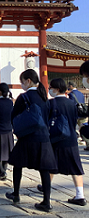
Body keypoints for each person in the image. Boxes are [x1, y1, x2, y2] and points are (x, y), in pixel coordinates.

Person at [6, 69, 56, 213]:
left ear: (28, 81)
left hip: (27, 137)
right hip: (43, 138)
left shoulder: (23, 97)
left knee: (18, 165)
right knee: (44, 170)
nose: (22, 84)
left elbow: (14, 117)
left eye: (22, 81)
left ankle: (16, 194)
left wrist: (18, 131)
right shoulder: (45, 98)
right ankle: (46, 201)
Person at [38, 78, 86, 206]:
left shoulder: (50, 104)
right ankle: (80, 195)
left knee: (50, 165)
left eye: (51, 88)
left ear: (57, 89)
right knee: (75, 167)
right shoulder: (72, 103)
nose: (49, 90)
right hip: (71, 139)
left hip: (55, 139)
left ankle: (45, 187)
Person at [67, 81, 89, 149]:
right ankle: (88, 144)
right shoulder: (81, 93)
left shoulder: (71, 94)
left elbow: (71, 104)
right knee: (83, 129)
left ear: (71, 86)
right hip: (82, 113)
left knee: (73, 129)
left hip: (75, 114)